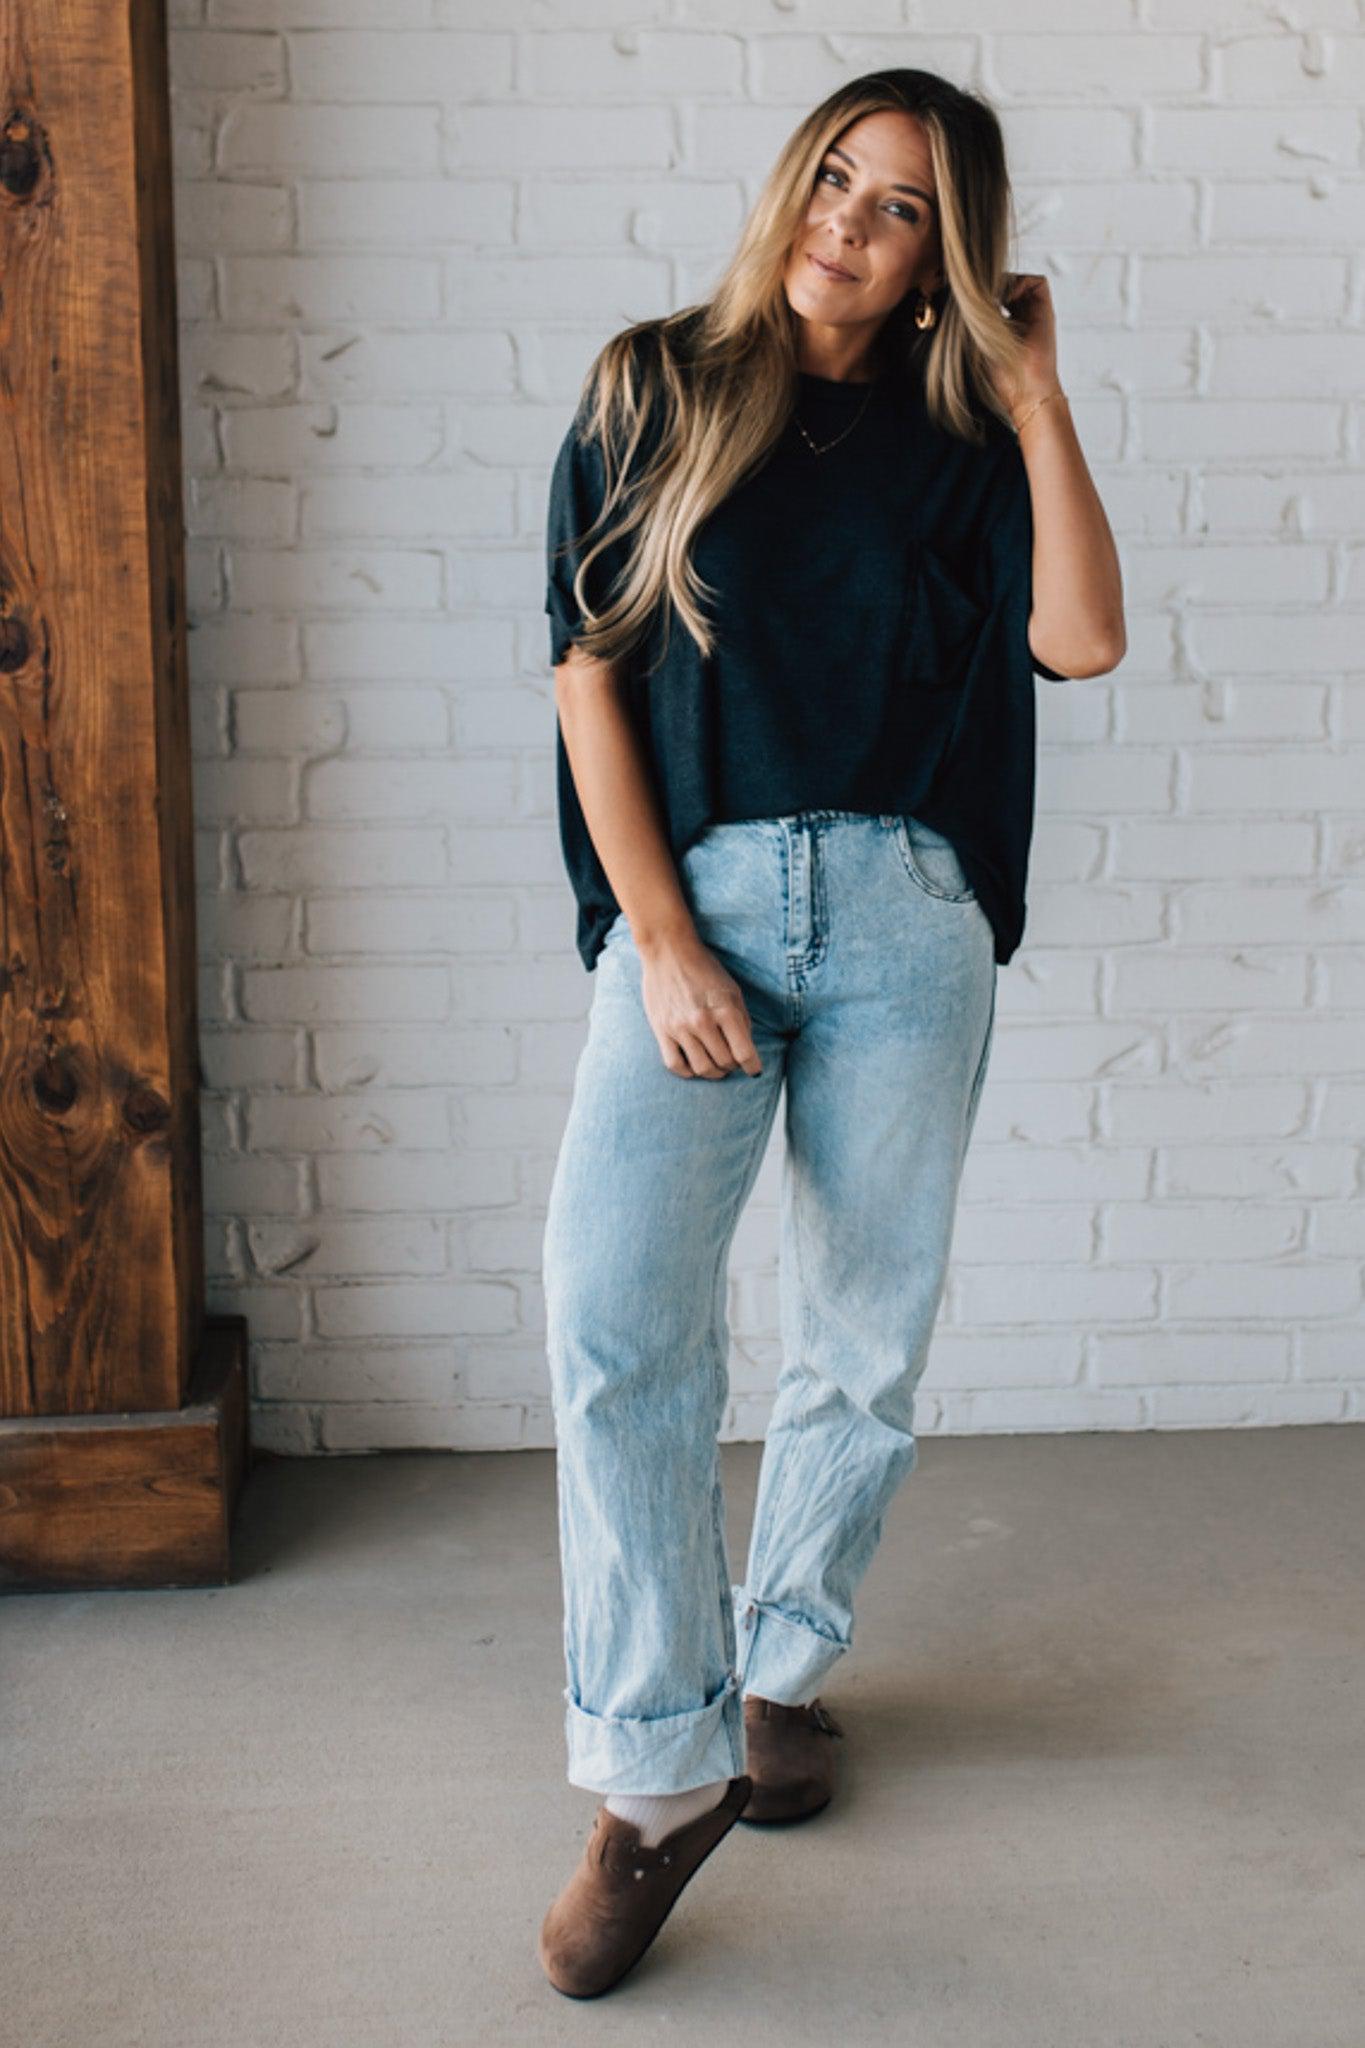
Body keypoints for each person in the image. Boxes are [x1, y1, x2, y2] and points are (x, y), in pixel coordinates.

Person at [535, 67, 1125, 2000]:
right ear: (790, 177)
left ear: (946, 255)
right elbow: (586, 676)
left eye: (898, 213)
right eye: (835, 181)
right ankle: (654, 1773)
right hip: (688, 909)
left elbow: (1082, 638)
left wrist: (1038, 399)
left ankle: (778, 1676)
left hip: (903, 917)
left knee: (859, 1334)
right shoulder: (652, 384)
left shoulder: (965, 430)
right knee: (617, 1324)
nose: (848, 228)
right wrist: (657, 938)